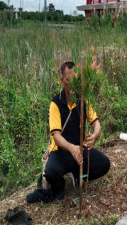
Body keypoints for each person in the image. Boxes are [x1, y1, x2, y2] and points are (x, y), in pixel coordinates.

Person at [27, 61, 110, 203]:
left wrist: (96, 134)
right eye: (68, 80)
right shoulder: (56, 104)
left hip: (80, 149)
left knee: (104, 164)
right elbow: (56, 136)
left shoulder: (82, 99)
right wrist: (71, 148)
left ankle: (77, 176)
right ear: (62, 80)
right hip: (61, 152)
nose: (72, 85)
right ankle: (60, 187)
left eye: (75, 81)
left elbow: (96, 122)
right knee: (51, 172)